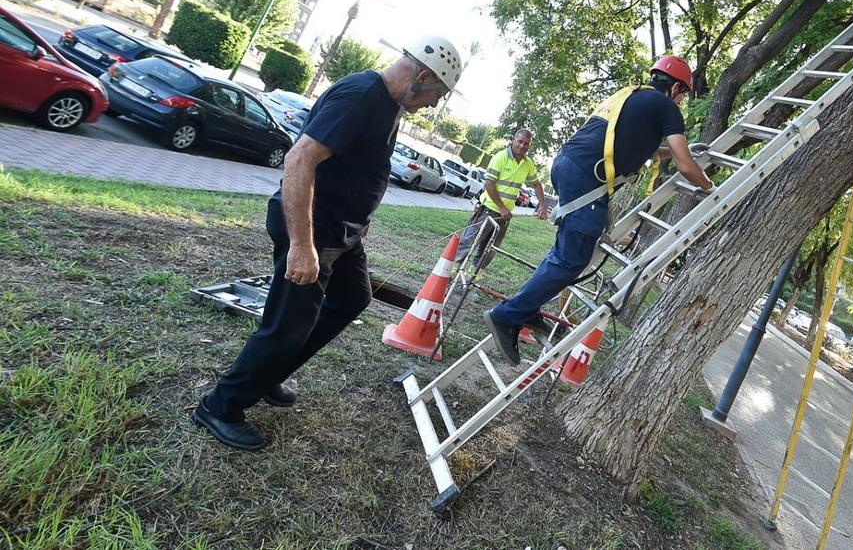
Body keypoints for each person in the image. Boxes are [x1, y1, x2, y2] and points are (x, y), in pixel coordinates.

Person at [192, 36, 463, 450]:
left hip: (343, 231)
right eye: (436, 96)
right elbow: (299, 159)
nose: (432, 105)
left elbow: (356, 165)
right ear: (423, 75)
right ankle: (220, 405)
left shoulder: (388, 105)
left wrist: (362, 216)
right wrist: (302, 246)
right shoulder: (359, 95)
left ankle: (269, 375)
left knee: (352, 298)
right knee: (288, 323)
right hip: (312, 229)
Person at [483, 56, 714, 366]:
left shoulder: (631, 96)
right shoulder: (666, 107)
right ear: (674, 88)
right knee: (571, 260)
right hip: (585, 179)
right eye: (683, 93)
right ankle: (507, 315)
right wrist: (708, 185)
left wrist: (678, 152)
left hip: (568, 165)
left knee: (563, 255)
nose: (682, 100)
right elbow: (686, 167)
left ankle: (525, 310)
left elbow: (644, 150)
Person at [455, 129, 548, 270]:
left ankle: (468, 281)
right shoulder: (501, 157)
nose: (522, 146)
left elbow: (536, 184)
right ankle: (447, 277)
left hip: (504, 216)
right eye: (520, 141)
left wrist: (542, 206)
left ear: (530, 146)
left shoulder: (528, 164)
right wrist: (502, 207)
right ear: (513, 140)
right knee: (468, 243)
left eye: (526, 144)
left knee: (489, 250)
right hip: (488, 210)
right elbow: (489, 184)